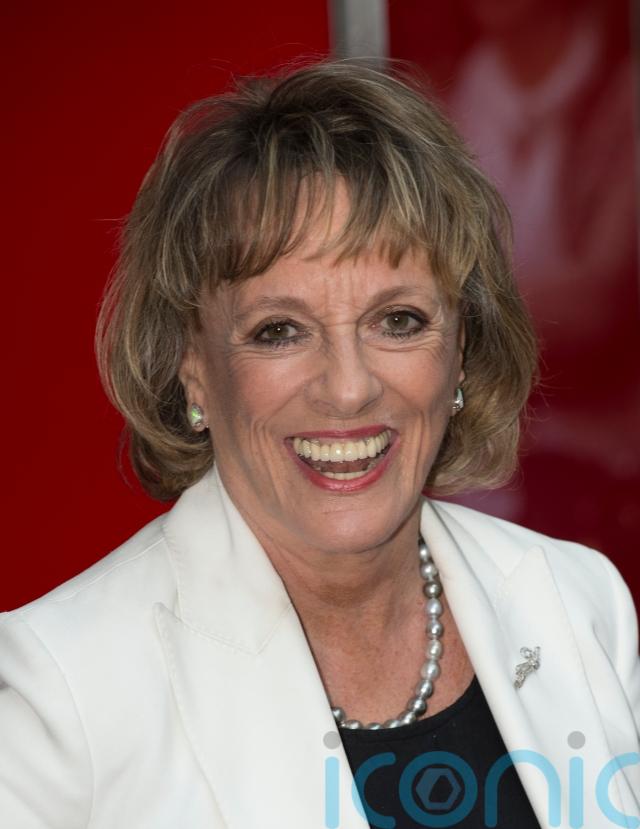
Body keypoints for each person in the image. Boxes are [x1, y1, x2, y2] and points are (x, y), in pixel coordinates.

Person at [0, 60, 637, 829]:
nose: (348, 387)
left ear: (461, 349)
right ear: (193, 365)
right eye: (280, 330)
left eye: (398, 320)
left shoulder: (579, 601)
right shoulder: (60, 697)